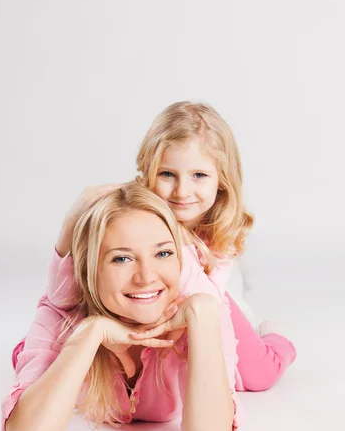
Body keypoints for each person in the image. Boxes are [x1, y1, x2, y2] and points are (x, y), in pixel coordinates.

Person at [50, 101, 296, 392]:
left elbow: (204, 301)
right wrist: (68, 231)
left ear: (221, 180)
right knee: (55, 353)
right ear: (148, 171)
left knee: (259, 375)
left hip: (209, 305)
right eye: (167, 174)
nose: (182, 191)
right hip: (143, 303)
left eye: (199, 176)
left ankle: (273, 339)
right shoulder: (132, 215)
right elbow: (64, 292)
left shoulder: (214, 234)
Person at [2, 184, 241, 431]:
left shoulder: (204, 310)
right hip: (82, 309)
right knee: (29, 354)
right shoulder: (61, 314)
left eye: (163, 253)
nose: (146, 277)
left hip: (225, 308)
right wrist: (90, 333)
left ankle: (267, 331)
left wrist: (203, 315)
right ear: (89, 268)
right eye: (122, 258)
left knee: (259, 372)